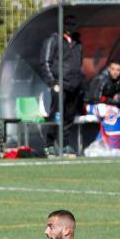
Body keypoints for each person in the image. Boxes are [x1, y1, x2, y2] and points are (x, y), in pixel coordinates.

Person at [38, 16, 84, 155]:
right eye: (68, 24)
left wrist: (80, 80)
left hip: (74, 85)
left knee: (69, 116)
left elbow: (79, 63)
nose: (71, 27)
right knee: (56, 114)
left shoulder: (78, 43)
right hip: (60, 84)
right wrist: (52, 82)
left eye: (73, 24)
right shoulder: (53, 40)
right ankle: (49, 144)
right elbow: (45, 62)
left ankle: (65, 144)